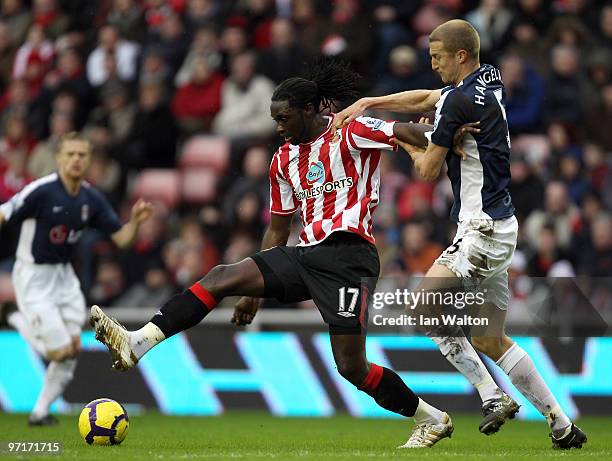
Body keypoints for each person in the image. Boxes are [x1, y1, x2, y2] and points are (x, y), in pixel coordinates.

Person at [90, 59, 477, 449]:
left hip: (350, 259)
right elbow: (278, 227)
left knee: (351, 367)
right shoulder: (283, 159)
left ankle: (431, 419)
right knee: (221, 276)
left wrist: (447, 134)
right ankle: (137, 342)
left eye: (284, 117)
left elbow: (404, 130)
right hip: (305, 255)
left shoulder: (350, 129)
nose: (278, 126)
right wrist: (252, 294)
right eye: (275, 118)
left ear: (308, 110)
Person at [334, 19, 586, 450]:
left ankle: (491, 396)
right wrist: (372, 102)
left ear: (460, 56)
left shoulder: (456, 101)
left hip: (481, 227)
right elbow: (432, 97)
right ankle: (562, 424)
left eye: (437, 57)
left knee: (423, 309)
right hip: (502, 225)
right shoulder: (489, 80)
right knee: (490, 336)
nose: (432, 65)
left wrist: (415, 142)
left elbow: (429, 171)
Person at [0, 131, 153, 426]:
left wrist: (133, 223)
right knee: (59, 350)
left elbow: (121, 239)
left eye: (82, 154)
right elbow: (6, 212)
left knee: (72, 352)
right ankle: (17, 316)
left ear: (89, 159)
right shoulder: (41, 191)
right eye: (70, 154)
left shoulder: (90, 198)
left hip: (65, 278)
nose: (76, 160)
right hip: (34, 276)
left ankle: (40, 412)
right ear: (58, 158)